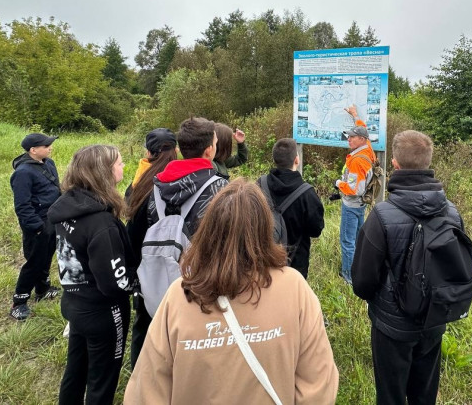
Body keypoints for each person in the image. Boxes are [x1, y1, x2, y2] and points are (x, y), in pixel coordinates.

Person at [125, 179, 339, 404]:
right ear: (266, 229)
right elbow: (319, 385)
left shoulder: (179, 295)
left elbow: (146, 391)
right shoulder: (295, 288)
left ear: (208, 230)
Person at [351, 130, 463, 405]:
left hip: (392, 327)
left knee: (390, 394)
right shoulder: (452, 212)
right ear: (428, 163)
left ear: (395, 165)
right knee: (424, 393)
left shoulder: (382, 216)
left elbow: (363, 282)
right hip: (434, 319)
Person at [48, 145, 136, 405]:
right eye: (119, 164)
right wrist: (137, 282)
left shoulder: (67, 207)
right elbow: (114, 282)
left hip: (74, 302)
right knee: (103, 378)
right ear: (104, 172)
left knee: (76, 370)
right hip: (103, 312)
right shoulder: (101, 224)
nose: (123, 168)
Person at [125, 128, 178, 369]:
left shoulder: (138, 184)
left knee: (143, 325)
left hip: (146, 267)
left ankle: (140, 373)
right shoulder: (182, 182)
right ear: (176, 149)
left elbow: (131, 232)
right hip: (176, 264)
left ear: (148, 152)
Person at [9, 132, 61, 320]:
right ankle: (19, 301)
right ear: (33, 150)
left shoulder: (48, 163)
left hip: (53, 219)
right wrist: (37, 227)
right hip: (37, 224)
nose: (50, 148)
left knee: (47, 256)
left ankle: (42, 289)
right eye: (46, 146)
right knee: (33, 262)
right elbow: (22, 205)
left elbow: (56, 189)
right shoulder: (22, 173)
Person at [260, 138, 325, 278]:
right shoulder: (307, 194)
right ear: (297, 160)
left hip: (263, 259)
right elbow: (316, 230)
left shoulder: (260, 185)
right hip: (295, 264)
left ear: (275, 159)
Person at [153, 117, 228, 238]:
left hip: (164, 256)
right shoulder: (221, 188)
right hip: (201, 256)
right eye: (215, 143)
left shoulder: (157, 185)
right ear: (209, 151)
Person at [334, 104, 376, 284]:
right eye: (348, 136)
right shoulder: (367, 148)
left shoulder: (357, 161)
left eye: (352, 137)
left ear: (361, 139)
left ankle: (348, 276)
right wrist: (355, 115)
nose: (348, 139)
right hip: (361, 204)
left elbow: (354, 189)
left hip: (351, 204)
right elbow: (363, 128)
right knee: (359, 238)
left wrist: (337, 183)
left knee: (347, 241)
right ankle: (358, 268)